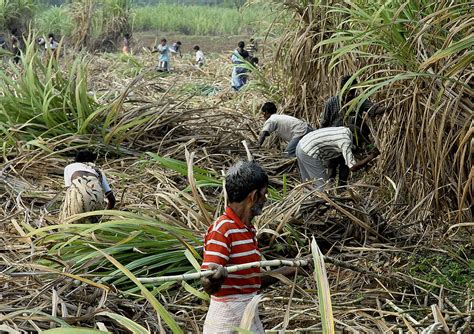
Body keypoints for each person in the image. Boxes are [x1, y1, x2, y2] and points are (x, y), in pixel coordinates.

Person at [201, 161, 304, 333]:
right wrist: (214, 277)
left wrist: (295, 267)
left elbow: (251, 280)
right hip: (226, 322)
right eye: (264, 194)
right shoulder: (222, 230)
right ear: (254, 196)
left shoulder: (247, 230)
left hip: (246, 314)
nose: (265, 199)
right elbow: (208, 285)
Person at [321, 75, 385, 187]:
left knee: (345, 166)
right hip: (333, 140)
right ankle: (328, 190)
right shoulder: (331, 102)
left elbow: (374, 110)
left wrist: (391, 105)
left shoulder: (359, 100)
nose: (350, 95)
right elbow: (324, 124)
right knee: (331, 166)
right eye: (347, 91)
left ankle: (341, 189)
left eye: (352, 91)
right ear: (341, 89)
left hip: (350, 139)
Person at [295, 126, 380, 190]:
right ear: (355, 136)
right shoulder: (345, 141)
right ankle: (320, 206)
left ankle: (306, 204)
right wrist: (371, 156)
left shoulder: (343, 130)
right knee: (321, 185)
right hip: (308, 151)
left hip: (301, 144)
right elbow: (353, 167)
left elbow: (352, 149)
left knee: (307, 182)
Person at [60, 150, 116, 223]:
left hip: (78, 194)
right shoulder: (98, 171)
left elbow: (69, 191)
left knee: (69, 223)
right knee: (93, 224)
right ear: (92, 160)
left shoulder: (69, 167)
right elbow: (111, 199)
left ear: (76, 160)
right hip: (97, 195)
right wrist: (105, 215)